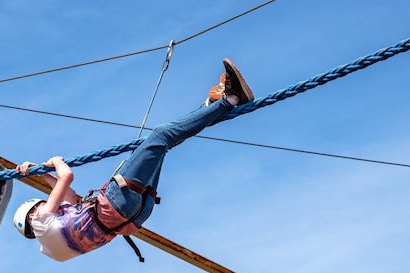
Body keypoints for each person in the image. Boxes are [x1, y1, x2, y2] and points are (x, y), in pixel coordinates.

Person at [13, 58, 254, 262]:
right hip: (114, 203)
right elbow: (66, 176)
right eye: (41, 205)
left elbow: (67, 195)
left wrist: (39, 173)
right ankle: (229, 100)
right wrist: (54, 162)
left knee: (163, 144)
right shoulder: (43, 220)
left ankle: (211, 106)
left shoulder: (56, 243)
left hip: (135, 216)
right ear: (32, 214)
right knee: (160, 136)